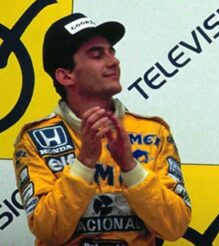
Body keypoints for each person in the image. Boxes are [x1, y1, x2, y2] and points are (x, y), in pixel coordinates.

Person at [13, 13, 192, 245]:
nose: (113, 61)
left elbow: (175, 226)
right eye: (97, 55)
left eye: (112, 52)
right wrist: (84, 162)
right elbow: (48, 230)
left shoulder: (153, 132)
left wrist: (130, 166)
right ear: (65, 76)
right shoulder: (35, 139)